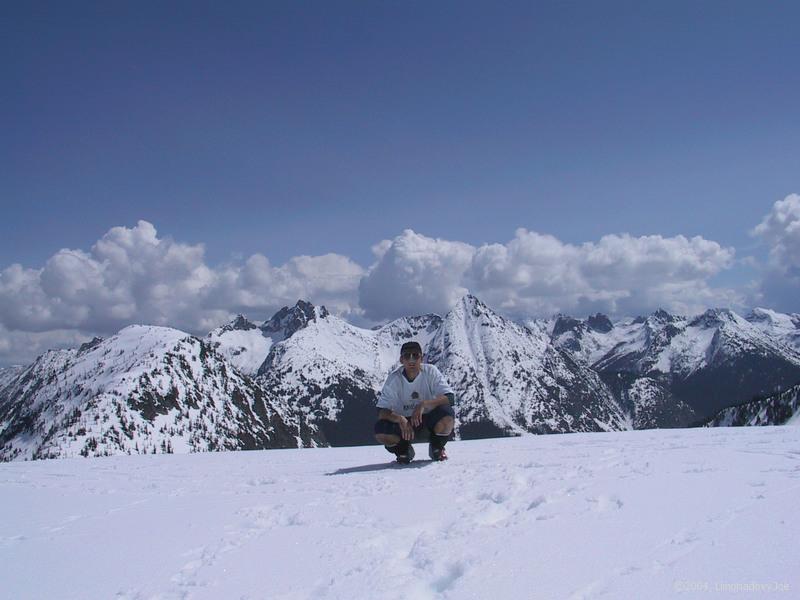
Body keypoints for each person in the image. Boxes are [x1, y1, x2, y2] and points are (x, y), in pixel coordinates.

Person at [374, 341, 455, 463]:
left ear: (421, 358)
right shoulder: (394, 379)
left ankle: (437, 448)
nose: (411, 360)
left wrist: (424, 404)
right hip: (403, 426)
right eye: (407, 356)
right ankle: (403, 451)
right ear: (401, 360)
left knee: (447, 414)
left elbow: (450, 398)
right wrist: (399, 419)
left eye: (415, 355)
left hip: (428, 421)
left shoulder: (431, 372)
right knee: (381, 430)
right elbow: (381, 411)